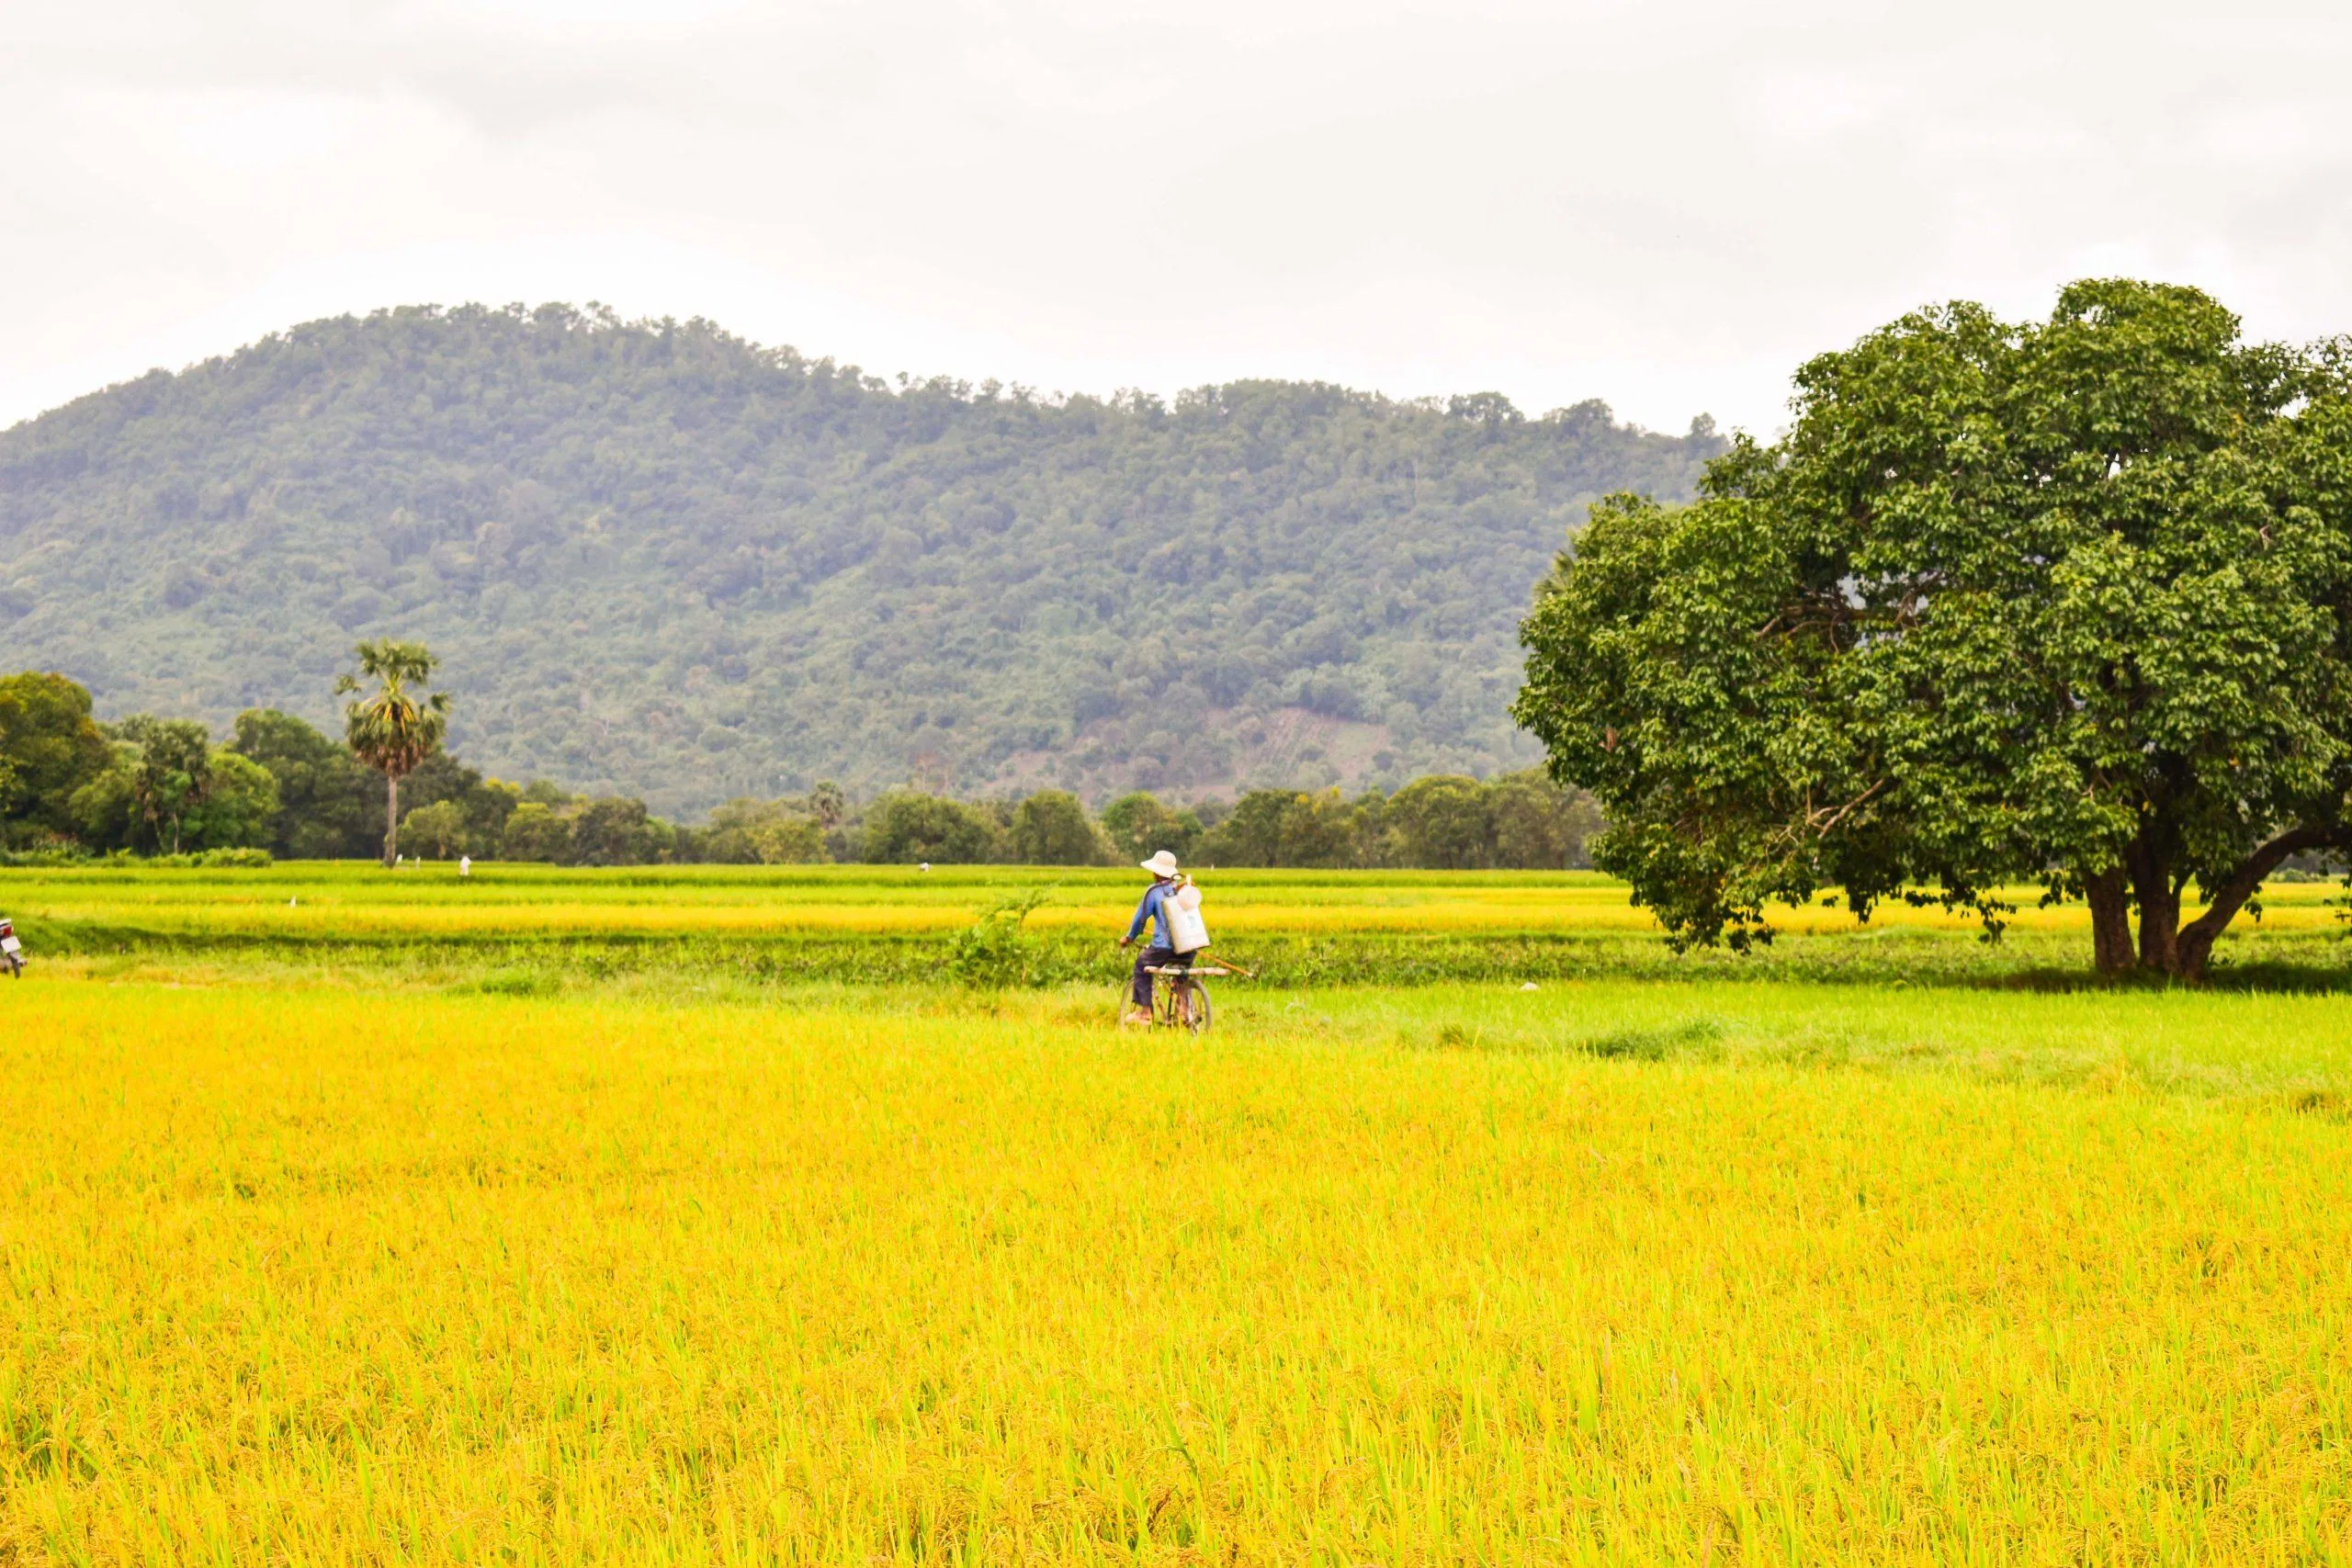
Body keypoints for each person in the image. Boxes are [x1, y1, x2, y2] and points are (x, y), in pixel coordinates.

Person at [1119, 850, 1197, 1024]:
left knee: (1141, 966)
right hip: (1189, 947)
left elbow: (1140, 920)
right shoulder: (1183, 890)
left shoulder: (1154, 892)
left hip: (1163, 948)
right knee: (1180, 970)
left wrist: (1129, 938)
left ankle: (1145, 1012)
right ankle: (1184, 1009)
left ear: (1156, 872)